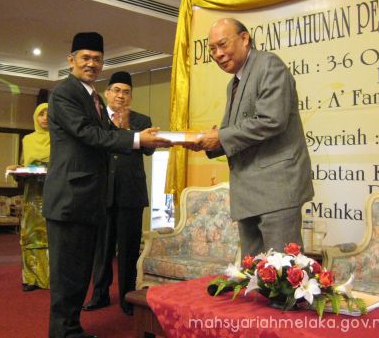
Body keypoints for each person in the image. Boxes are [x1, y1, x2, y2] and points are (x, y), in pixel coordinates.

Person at [42, 32, 170, 338]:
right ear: (71, 60)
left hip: (88, 198)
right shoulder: (64, 93)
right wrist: (137, 139)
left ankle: (71, 329)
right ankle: (63, 332)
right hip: (70, 198)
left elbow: (109, 134)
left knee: (79, 271)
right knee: (67, 274)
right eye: (85, 58)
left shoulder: (93, 97)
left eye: (97, 59)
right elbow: (88, 134)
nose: (91, 63)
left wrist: (143, 137)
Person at [188, 18, 314, 258]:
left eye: (223, 44)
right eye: (212, 49)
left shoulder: (268, 65)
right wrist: (205, 141)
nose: (218, 54)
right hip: (247, 193)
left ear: (244, 38)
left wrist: (220, 137)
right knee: (253, 273)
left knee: (282, 271)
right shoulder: (233, 83)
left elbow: (272, 120)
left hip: (276, 189)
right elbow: (236, 131)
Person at [82, 71, 154, 316]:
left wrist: (127, 128)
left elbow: (149, 150)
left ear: (131, 96)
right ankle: (99, 295)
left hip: (131, 193)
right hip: (101, 192)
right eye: (116, 91)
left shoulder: (141, 120)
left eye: (126, 92)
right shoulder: (96, 119)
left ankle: (127, 298)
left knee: (128, 250)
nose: (121, 96)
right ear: (107, 93)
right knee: (101, 249)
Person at [18, 102, 51, 291]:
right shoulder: (28, 140)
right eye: (41, 114)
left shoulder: (59, 138)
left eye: (49, 114)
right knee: (31, 235)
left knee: (52, 236)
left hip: (54, 193)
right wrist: (15, 169)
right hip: (32, 195)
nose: (45, 118)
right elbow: (24, 165)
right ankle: (30, 279)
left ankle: (50, 278)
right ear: (35, 117)